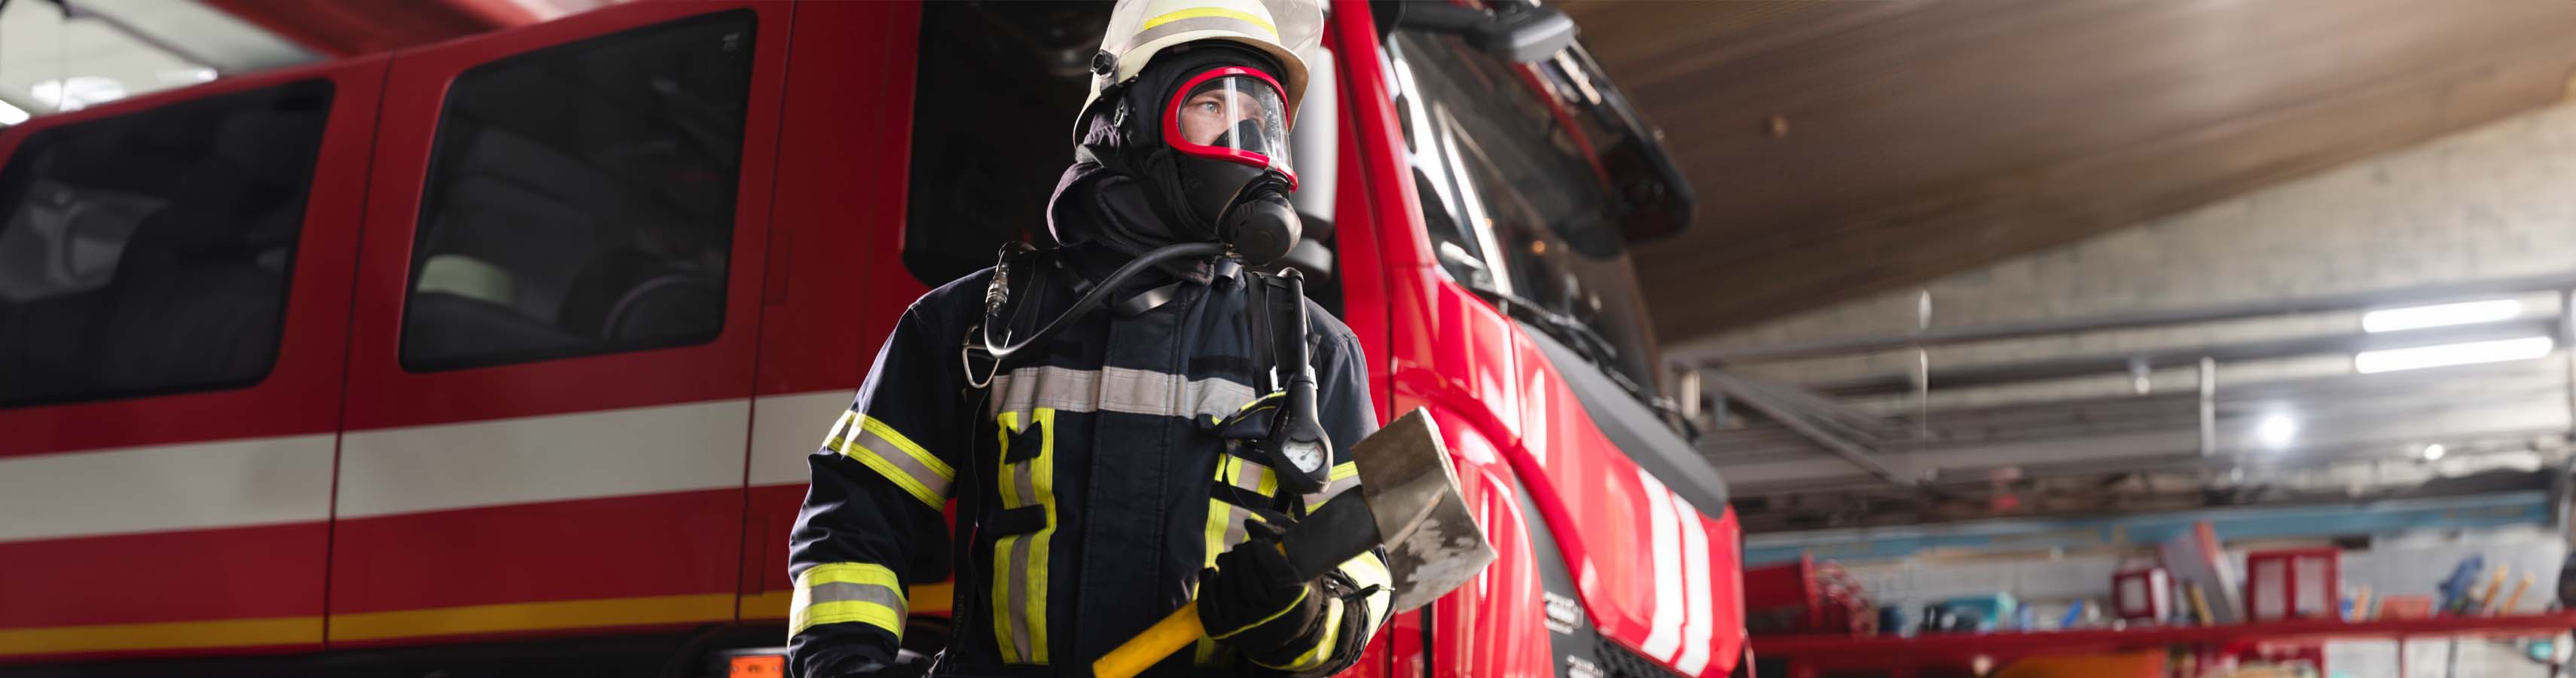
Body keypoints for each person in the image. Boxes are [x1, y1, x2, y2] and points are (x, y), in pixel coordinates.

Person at [784, 1, 1390, 676]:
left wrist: (1303, 617)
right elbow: (855, 517)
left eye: (1261, 118)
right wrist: (843, 666)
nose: (1241, 135)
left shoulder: (1311, 353)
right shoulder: (977, 324)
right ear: (1128, 123)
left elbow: (1366, 571)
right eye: (1214, 105)